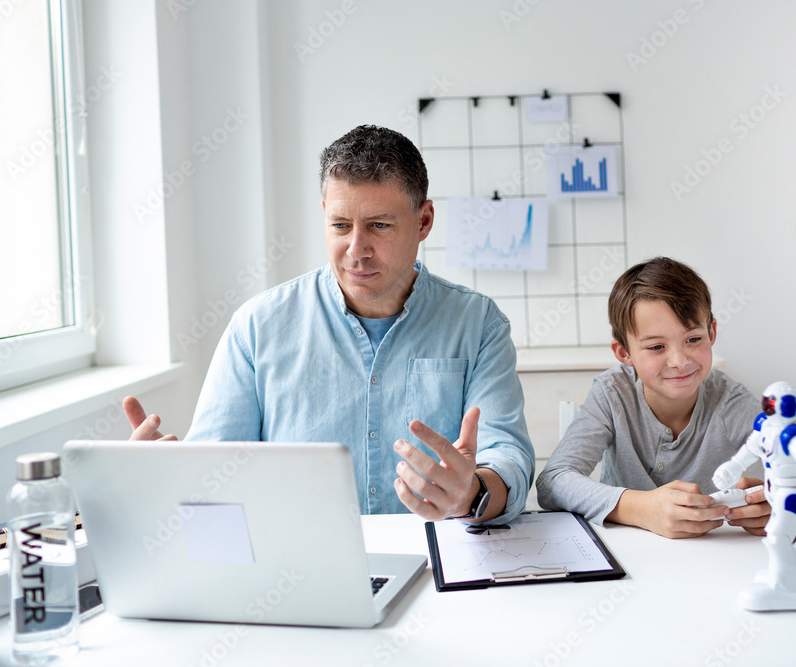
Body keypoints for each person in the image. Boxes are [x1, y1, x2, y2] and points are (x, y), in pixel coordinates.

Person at [125, 125, 534, 524]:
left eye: (379, 226)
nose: (357, 251)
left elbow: (507, 457)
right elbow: (216, 474)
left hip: (437, 567)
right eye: (340, 226)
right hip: (295, 571)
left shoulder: (478, 324)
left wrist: (474, 494)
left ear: (424, 221)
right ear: (324, 216)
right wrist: (165, 483)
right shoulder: (257, 327)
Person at [536, 257, 796, 539]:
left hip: (712, 558)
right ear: (624, 353)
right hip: (629, 558)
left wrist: (787, 498)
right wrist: (640, 509)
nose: (680, 360)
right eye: (656, 346)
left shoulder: (728, 401)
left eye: (693, 339)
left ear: (712, 333)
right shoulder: (612, 394)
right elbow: (553, 482)